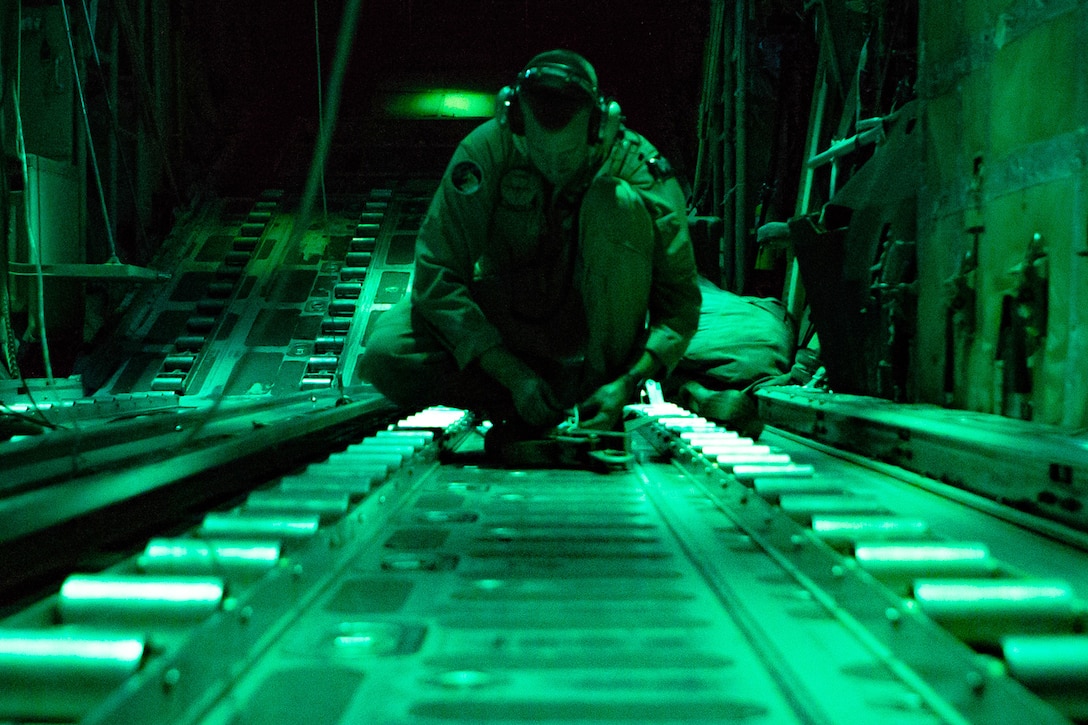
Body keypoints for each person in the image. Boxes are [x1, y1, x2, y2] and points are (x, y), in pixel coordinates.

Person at [358, 50, 701, 449]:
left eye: (568, 155)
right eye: (540, 152)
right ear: (516, 123)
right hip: (509, 331)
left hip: (599, 338)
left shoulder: (639, 166)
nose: (554, 167)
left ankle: (599, 402)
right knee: (387, 353)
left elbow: (678, 305)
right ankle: (536, 398)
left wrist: (626, 382)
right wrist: (511, 373)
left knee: (616, 201)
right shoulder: (486, 150)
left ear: (599, 127)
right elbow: (438, 272)